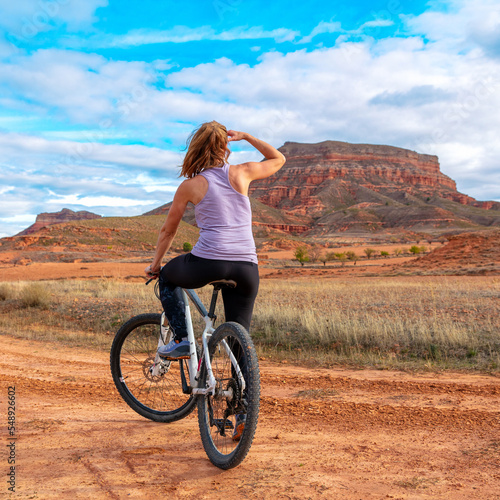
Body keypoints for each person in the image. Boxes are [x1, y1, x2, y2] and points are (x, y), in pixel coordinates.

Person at [144, 121, 285, 361]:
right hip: (246, 268)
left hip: (208, 262)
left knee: (167, 276)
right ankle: (240, 396)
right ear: (225, 147)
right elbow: (278, 159)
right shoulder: (243, 172)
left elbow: (168, 231)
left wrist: (155, 266)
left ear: (196, 148)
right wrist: (248, 137)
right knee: (240, 338)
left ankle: (183, 340)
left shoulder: (190, 186)